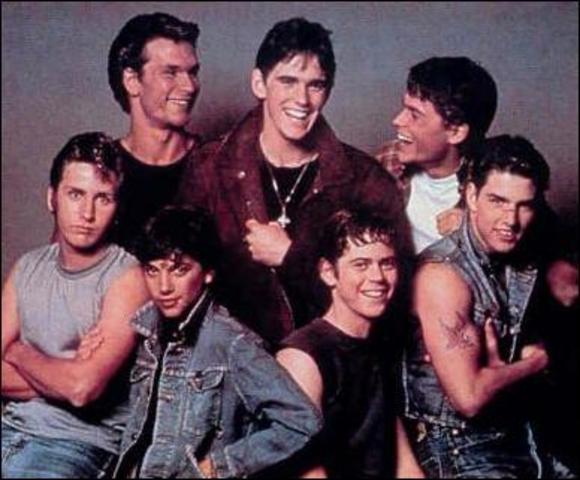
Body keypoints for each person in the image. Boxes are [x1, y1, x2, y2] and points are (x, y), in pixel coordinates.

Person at [177, 17, 410, 345]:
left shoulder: (366, 180)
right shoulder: (209, 167)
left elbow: (393, 298)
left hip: (328, 362)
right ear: (259, 84)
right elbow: (179, 274)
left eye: (315, 85)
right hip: (227, 361)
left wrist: (292, 258)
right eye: (288, 81)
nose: (302, 99)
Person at [401, 135, 575, 477]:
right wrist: (537, 361)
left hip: (522, 436)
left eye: (524, 205)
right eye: (498, 201)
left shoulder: (523, 258)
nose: (510, 220)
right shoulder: (442, 275)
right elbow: (469, 398)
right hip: (459, 445)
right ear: (471, 196)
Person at [111, 206, 322, 478]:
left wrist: (217, 467)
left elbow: (302, 422)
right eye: (153, 271)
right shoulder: (144, 331)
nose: (164, 287)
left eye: (179, 270)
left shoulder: (232, 342)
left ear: (207, 273)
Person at [1, 132, 151, 478]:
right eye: (75, 194)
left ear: (117, 207)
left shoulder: (128, 278)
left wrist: (17, 352)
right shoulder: (28, 267)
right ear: (52, 197)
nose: (87, 213)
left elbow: (82, 390)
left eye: (103, 198)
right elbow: (72, 384)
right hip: (10, 426)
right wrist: (63, 376)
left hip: (76, 443)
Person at [274, 208, 422, 478]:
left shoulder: (379, 346)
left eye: (387, 263)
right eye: (361, 264)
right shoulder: (302, 357)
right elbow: (306, 472)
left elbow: (405, 465)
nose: (377, 277)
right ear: (328, 272)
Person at [376, 56, 498, 254]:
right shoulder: (387, 160)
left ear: (455, 132)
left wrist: (473, 233)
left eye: (414, 114)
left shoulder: (497, 184)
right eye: (404, 108)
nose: (397, 120)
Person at [107, 12, 201, 251]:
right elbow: (63, 265)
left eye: (192, 72)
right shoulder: (101, 170)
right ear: (132, 81)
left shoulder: (217, 165)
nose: (190, 86)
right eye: (170, 72)